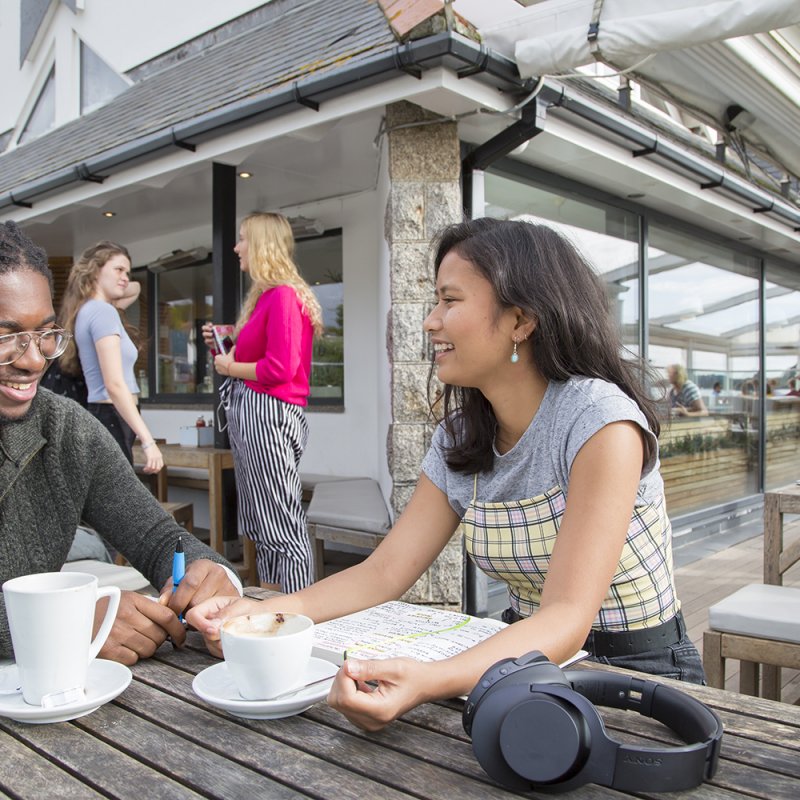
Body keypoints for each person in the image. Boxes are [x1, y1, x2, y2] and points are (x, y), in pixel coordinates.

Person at [188, 218, 704, 732]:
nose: (431, 321)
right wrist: (267, 616)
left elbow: (568, 618)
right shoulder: (462, 435)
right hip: (519, 663)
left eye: (450, 301)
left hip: (638, 676)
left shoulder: (600, 420)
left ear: (521, 320)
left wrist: (431, 679)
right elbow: (384, 572)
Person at [0, 221, 242, 664]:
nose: (34, 359)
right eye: (6, 337)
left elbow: (156, 537)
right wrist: (63, 623)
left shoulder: (68, 431)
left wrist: (214, 577)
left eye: (45, 334)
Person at [202, 212, 323, 592]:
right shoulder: (269, 296)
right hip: (258, 412)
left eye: (242, 239)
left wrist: (230, 365)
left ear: (262, 244)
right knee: (264, 521)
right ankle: (275, 603)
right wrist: (225, 345)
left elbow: (280, 368)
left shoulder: (283, 296)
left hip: (267, 414)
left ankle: (301, 612)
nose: (236, 247)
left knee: (281, 524)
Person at [57, 241, 163, 472]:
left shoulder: (90, 308)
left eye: (128, 271)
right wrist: (148, 441)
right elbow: (114, 384)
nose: (126, 277)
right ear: (95, 270)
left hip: (108, 414)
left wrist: (113, 281)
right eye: (118, 270)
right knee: (118, 499)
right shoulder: (102, 312)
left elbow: (134, 288)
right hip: (111, 414)